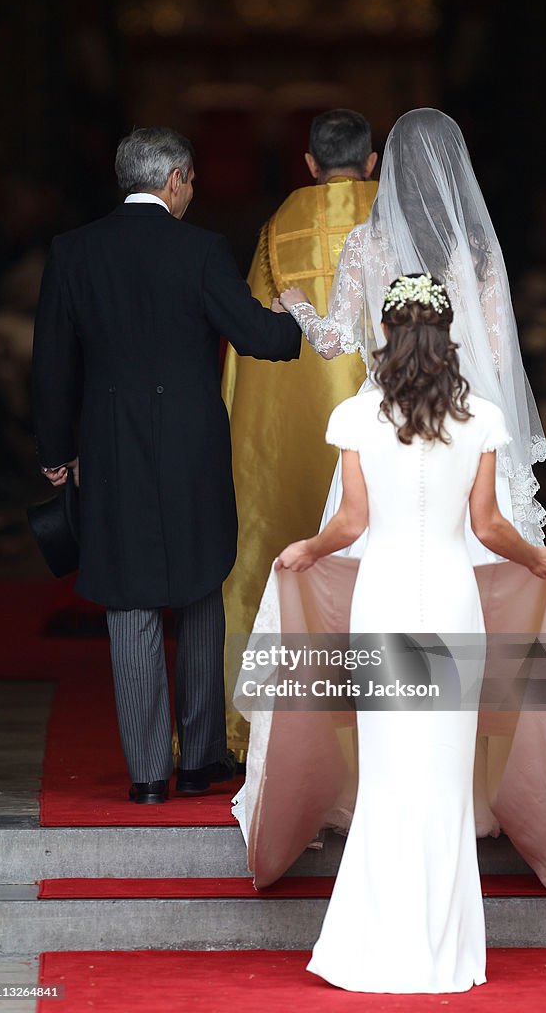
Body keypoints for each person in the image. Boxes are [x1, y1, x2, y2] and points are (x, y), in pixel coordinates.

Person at [231, 108, 546, 854]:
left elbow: (341, 338)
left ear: (387, 169)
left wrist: (296, 306)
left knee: (378, 598)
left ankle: (382, 771)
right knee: (491, 605)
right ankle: (496, 778)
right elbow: (495, 355)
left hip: (388, 432)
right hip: (467, 432)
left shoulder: (370, 244)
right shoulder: (477, 252)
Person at [274, 274, 546, 993]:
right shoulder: (481, 420)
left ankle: (372, 946)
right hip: (449, 601)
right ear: (446, 335)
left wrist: (306, 551)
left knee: (389, 768)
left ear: (388, 332)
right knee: (439, 771)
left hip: (384, 598)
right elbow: (488, 527)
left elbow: (350, 524)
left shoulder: (354, 416)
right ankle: (443, 950)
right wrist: (538, 558)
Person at [31, 127, 300, 804]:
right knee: (201, 584)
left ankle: (148, 774)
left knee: (128, 598)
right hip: (191, 444)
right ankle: (201, 758)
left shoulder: (73, 251)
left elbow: (53, 364)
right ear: (175, 180)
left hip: (110, 443)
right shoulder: (201, 249)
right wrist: (290, 312)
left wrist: (55, 453)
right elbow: (263, 340)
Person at [221, 109, 378, 756]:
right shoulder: (402, 218)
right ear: (371, 163)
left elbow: (249, 354)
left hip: (294, 437)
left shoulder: (274, 230)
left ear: (309, 165)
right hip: (394, 427)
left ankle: (266, 725)